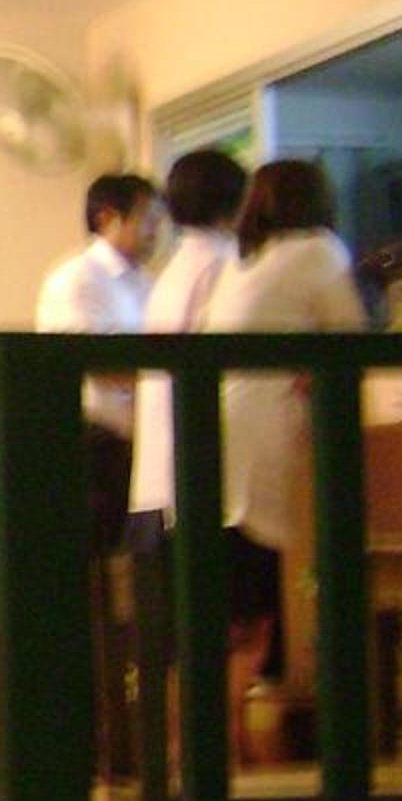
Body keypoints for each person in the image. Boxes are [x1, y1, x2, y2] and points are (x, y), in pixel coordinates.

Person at [205, 159, 367, 700]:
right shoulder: (317, 250)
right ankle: (257, 718)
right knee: (266, 599)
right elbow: (351, 335)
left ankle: (221, 727)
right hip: (269, 433)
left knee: (240, 601)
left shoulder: (244, 261)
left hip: (222, 435)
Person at [123, 148, 250, 553]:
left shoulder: (173, 271)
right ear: (236, 201)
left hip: (156, 479)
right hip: (198, 478)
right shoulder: (225, 265)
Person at [35, 170, 160, 552]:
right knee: (101, 552)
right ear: (106, 218)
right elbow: (93, 362)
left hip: (138, 438)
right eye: (147, 219)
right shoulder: (76, 279)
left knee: (140, 551)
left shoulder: (146, 281)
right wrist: (158, 373)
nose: (156, 231)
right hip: (94, 440)